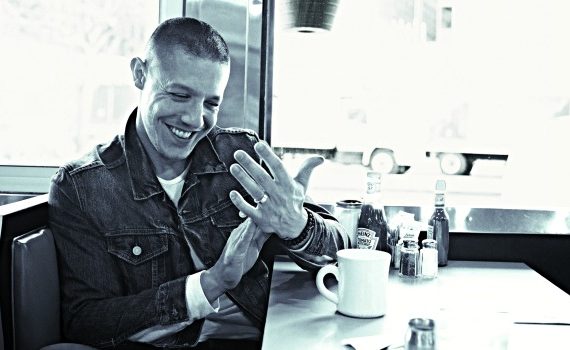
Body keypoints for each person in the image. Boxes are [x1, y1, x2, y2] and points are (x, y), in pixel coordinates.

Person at [48, 17, 347, 349]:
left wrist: (298, 224)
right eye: (179, 95)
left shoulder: (240, 155)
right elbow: (85, 322)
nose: (194, 119)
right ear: (139, 74)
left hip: (271, 338)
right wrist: (210, 283)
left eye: (210, 103)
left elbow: (342, 253)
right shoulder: (80, 187)